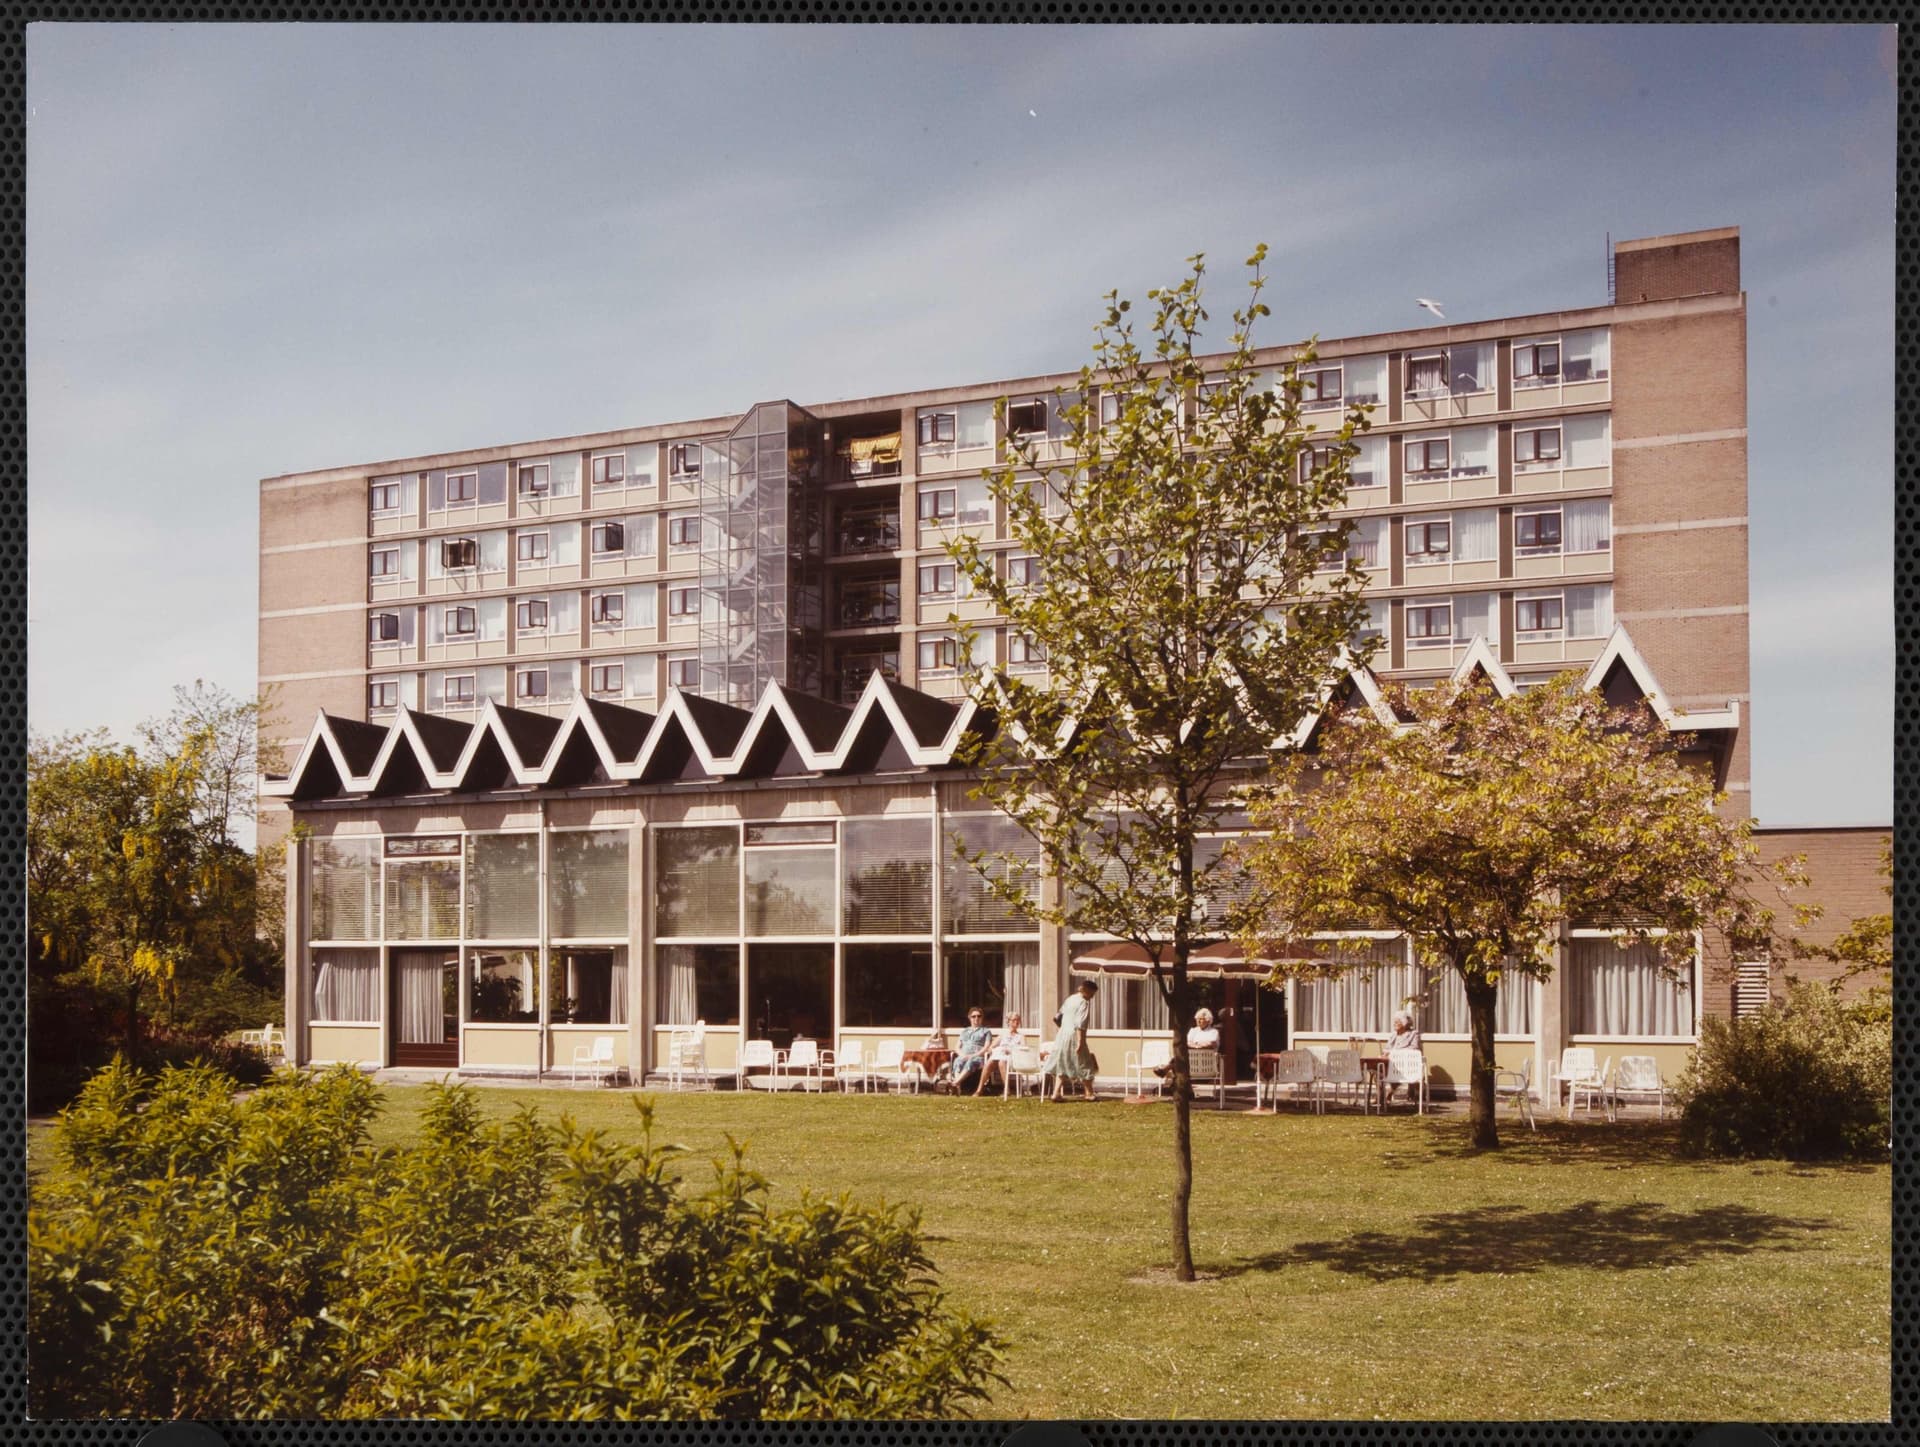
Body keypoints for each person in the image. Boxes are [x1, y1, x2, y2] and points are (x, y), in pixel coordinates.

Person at [1043, 980, 1099, 1101]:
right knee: (1085, 1063)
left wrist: (1065, 1029)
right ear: (1087, 991)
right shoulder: (1083, 1003)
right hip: (1074, 1035)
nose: (1092, 997)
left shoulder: (1070, 999)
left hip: (1062, 1035)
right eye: (1092, 994)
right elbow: (1080, 1024)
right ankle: (1089, 1093)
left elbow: (1057, 1017)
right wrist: (1081, 1041)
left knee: (1063, 1063)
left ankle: (1056, 1093)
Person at [1155, 1008, 1219, 1077]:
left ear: (1208, 1021)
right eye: (1197, 1019)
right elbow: (1186, 1042)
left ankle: (1165, 1069)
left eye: (1201, 1019)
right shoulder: (1193, 1030)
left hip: (1206, 1063)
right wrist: (1199, 1045)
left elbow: (1211, 1044)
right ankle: (1172, 1075)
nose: (1198, 1021)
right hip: (1191, 1061)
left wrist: (1195, 1044)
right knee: (1179, 1055)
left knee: (1179, 1058)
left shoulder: (1213, 1032)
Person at [973, 1012, 1025, 1096]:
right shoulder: (1003, 1035)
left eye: (1018, 1020)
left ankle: (1007, 1090)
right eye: (1014, 1020)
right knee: (990, 1062)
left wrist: (1011, 1050)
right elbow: (990, 1047)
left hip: (1013, 1059)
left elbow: (1023, 1050)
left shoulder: (1021, 1036)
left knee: (1001, 1062)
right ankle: (979, 1090)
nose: (1017, 1022)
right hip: (1000, 1056)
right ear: (1009, 1022)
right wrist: (996, 1050)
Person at [946, 1007, 994, 1094]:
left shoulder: (986, 1031)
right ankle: (958, 1088)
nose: (976, 1018)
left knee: (971, 1061)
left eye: (979, 1016)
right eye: (974, 1016)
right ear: (969, 1018)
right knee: (958, 1061)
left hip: (978, 1057)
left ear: (982, 1018)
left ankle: (955, 1083)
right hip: (964, 1055)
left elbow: (986, 1047)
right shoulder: (965, 1031)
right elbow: (957, 1047)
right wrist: (962, 1055)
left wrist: (973, 1055)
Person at [1386, 1009, 1423, 1101]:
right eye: (1394, 1022)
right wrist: (1386, 1052)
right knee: (1378, 1072)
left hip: (1407, 1065)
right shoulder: (1394, 1035)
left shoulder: (1413, 1034)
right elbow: (1387, 1048)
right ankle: (1380, 1096)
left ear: (1404, 1023)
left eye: (1397, 1022)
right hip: (1392, 1064)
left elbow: (1415, 1048)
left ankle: (1390, 1092)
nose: (1394, 1024)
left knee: (1400, 1071)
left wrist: (1395, 1052)